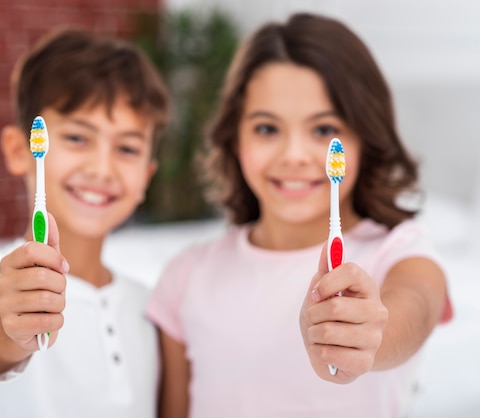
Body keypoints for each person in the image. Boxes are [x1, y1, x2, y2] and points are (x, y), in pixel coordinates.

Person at [145, 12, 452, 418]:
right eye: (267, 129)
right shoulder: (186, 277)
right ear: (234, 138)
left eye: (324, 130)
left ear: (366, 136)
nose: (293, 155)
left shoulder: (400, 253)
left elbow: (415, 305)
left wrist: (370, 335)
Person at [0, 26, 169, 417]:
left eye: (127, 148)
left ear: (145, 178)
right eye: (79, 138)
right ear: (19, 150)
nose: (102, 168)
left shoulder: (148, 307)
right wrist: (13, 330)